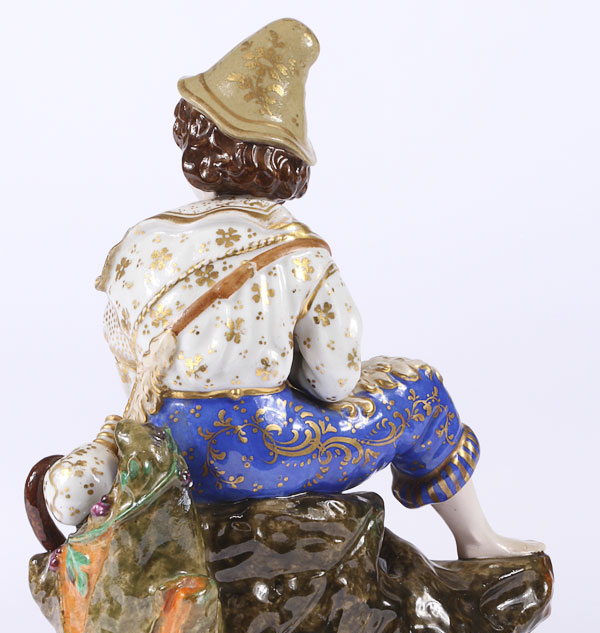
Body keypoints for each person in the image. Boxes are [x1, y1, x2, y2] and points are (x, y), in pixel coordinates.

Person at [46, 18, 542, 560]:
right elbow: (334, 381)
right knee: (418, 390)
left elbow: (131, 368)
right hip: (263, 453)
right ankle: (477, 542)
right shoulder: (295, 249)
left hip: (167, 454)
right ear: (283, 160)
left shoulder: (139, 239)